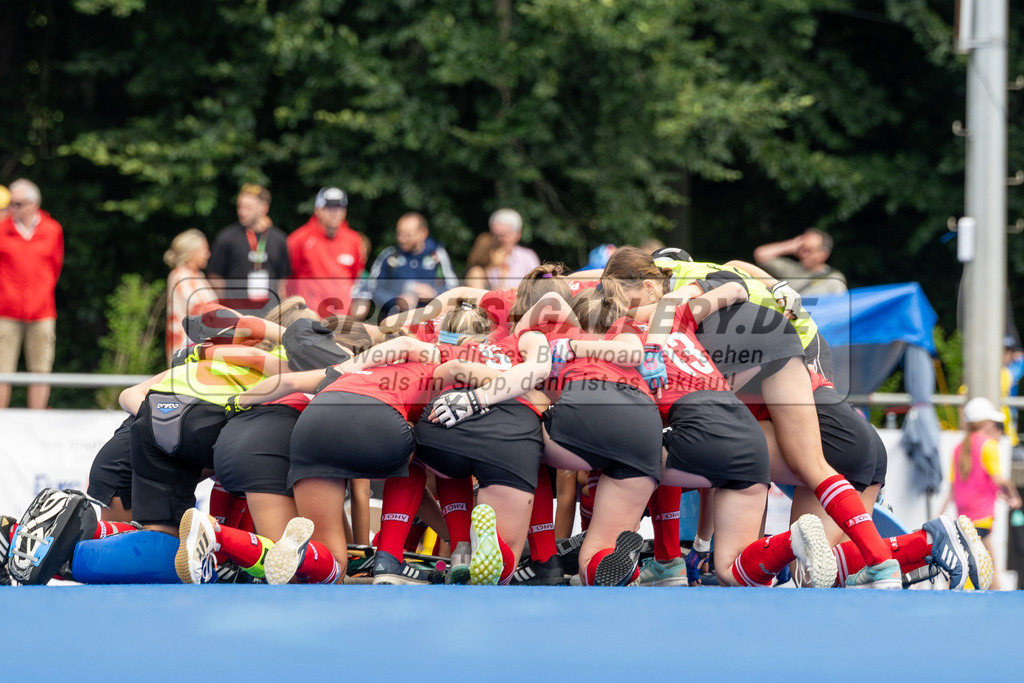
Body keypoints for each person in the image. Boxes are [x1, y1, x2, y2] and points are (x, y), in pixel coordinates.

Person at [940, 397, 1023, 589]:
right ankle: (1000, 601)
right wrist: (1013, 494)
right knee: (988, 570)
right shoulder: (988, 445)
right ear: (985, 423)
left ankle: (948, 597)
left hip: (963, 519)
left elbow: (955, 487)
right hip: (982, 518)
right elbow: (998, 479)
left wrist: (940, 514)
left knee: (965, 568)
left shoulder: (959, 448)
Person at [0, 179, 64, 409]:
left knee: (41, 369)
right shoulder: (2, 227)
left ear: (34, 204)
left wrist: (41, 293)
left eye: (18, 204)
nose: (12, 208)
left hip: (42, 311)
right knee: (2, 370)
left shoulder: (52, 229)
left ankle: (37, 420)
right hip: (5, 310)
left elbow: (55, 267)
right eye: (10, 203)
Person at [353, 212, 458, 319]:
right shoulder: (390, 255)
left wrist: (434, 295)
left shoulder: (438, 255)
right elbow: (373, 288)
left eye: (408, 235)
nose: (401, 239)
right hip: (394, 322)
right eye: (399, 234)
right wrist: (396, 301)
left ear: (423, 233)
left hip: (429, 322)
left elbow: (453, 287)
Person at [207, 184, 290, 313]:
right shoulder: (226, 238)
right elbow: (215, 276)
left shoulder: (279, 239)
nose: (242, 212)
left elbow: (283, 279)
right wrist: (226, 305)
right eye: (240, 207)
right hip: (237, 314)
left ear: (264, 208)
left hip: (270, 313)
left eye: (248, 207)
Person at [286, 187, 365, 318]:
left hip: (341, 319)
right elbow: (286, 280)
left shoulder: (354, 240)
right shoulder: (298, 239)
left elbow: (355, 276)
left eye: (340, 208)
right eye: (329, 208)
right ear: (318, 210)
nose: (335, 213)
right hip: (309, 318)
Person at [164, 229, 217, 363]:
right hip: (186, 348)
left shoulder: (197, 275)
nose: (208, 254)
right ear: (191, 253)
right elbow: (199, 307)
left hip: (199, 345)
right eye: (204, 250)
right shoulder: (180, 275)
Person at [752, 227, 847, 295]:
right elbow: (761, 255)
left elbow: (840, 309)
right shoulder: (790, 269)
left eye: (808, 250)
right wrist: (792, 245)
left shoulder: (834, 279)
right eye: (801, 249)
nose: (803, 254)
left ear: (823, 254)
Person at [486, 208, 540, 288]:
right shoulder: (484, 257)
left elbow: (535, 287)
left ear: (517, 234)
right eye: (495, 235)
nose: (499, 240)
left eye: (503, 235)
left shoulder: (528, 258)